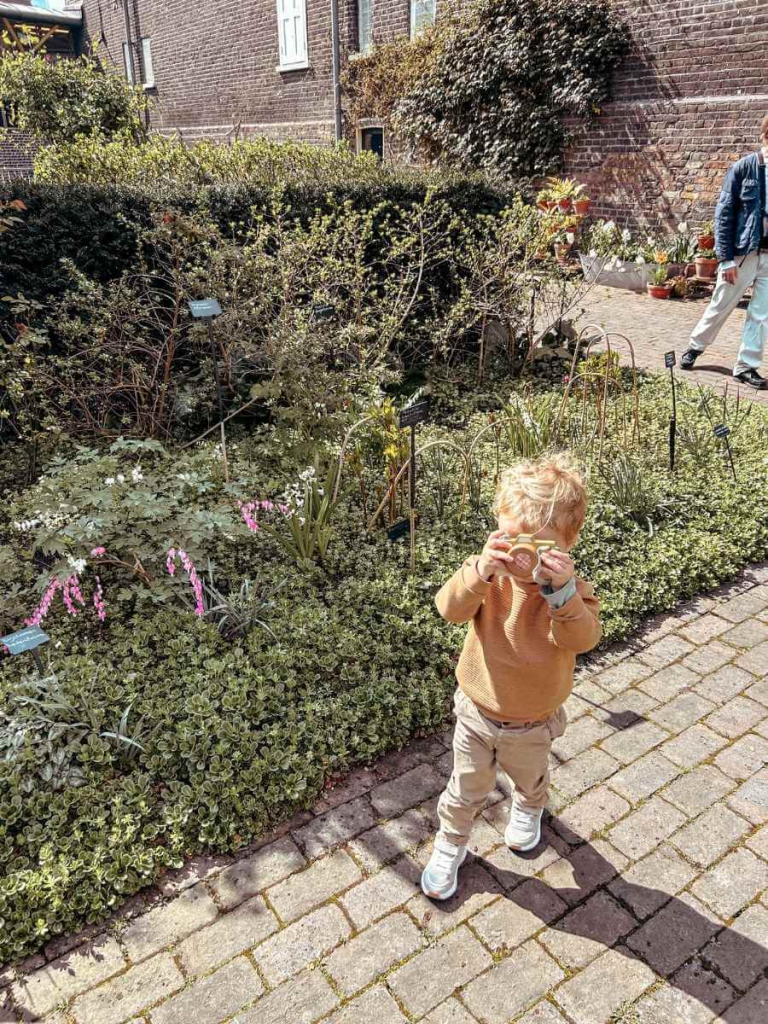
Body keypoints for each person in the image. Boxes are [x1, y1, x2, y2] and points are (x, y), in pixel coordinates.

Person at [421, 453, 601, 901]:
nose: (520, 558)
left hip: (534, 718)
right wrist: (481, 571)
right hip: (477, 711)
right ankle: (451, 842)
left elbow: (582, 640)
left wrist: (562, 598)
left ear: (566, 544)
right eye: (510, 540)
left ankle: (529, 805)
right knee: (465, 788)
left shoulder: (569, 592)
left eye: (537, 547)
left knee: (530, 776)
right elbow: (448, 609)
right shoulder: (489, 575)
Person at [680, 116, 768, 389]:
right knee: (721, 305)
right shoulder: (744, 168)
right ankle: (695, 346)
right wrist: (726, 258)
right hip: (743, 254)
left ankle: (746, 366)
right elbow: (724, 215)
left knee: (761, 314)